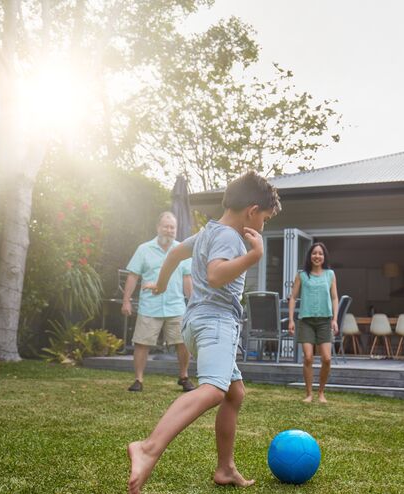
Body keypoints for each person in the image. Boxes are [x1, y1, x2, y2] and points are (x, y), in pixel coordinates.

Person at [127, 171, 281, 493]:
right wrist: (254, 256)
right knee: (213, 390)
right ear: (252, 211)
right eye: (264, 218)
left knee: (234, 393)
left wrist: (162, 283)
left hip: (195, 322)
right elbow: (214, 275)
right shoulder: (230, 237)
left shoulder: (209, 231)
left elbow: (174, 254)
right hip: (216, 322)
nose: (263, 226)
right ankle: (148, 447)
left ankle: (225, 468)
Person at [122, 212, 196, 393]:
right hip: (150, 306)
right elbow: (133, 276)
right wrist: (126, 301)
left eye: (172, 228)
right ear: (158, 227)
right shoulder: (144, 249)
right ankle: (138, 380)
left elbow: (187, 279)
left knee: (184, 342)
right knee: (141, 343)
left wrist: (193, 302)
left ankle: (184, 376)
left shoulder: (182, 250)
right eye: (166, 226)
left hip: (176, 305)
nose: (169, 230)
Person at [288, 242, 339, 403]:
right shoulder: (302, 275)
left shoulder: (330, 274)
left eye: (320, 253)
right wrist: (290, 320)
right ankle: (309, 393)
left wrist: (335, 319)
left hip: (325, 321)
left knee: (326, 358)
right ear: (310, 256)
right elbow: (293, 298)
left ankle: (321, 392)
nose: (317, 256)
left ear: (324, 257)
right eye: (314, 253)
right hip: (306, 321)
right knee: (308, 357)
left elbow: (334, 297)